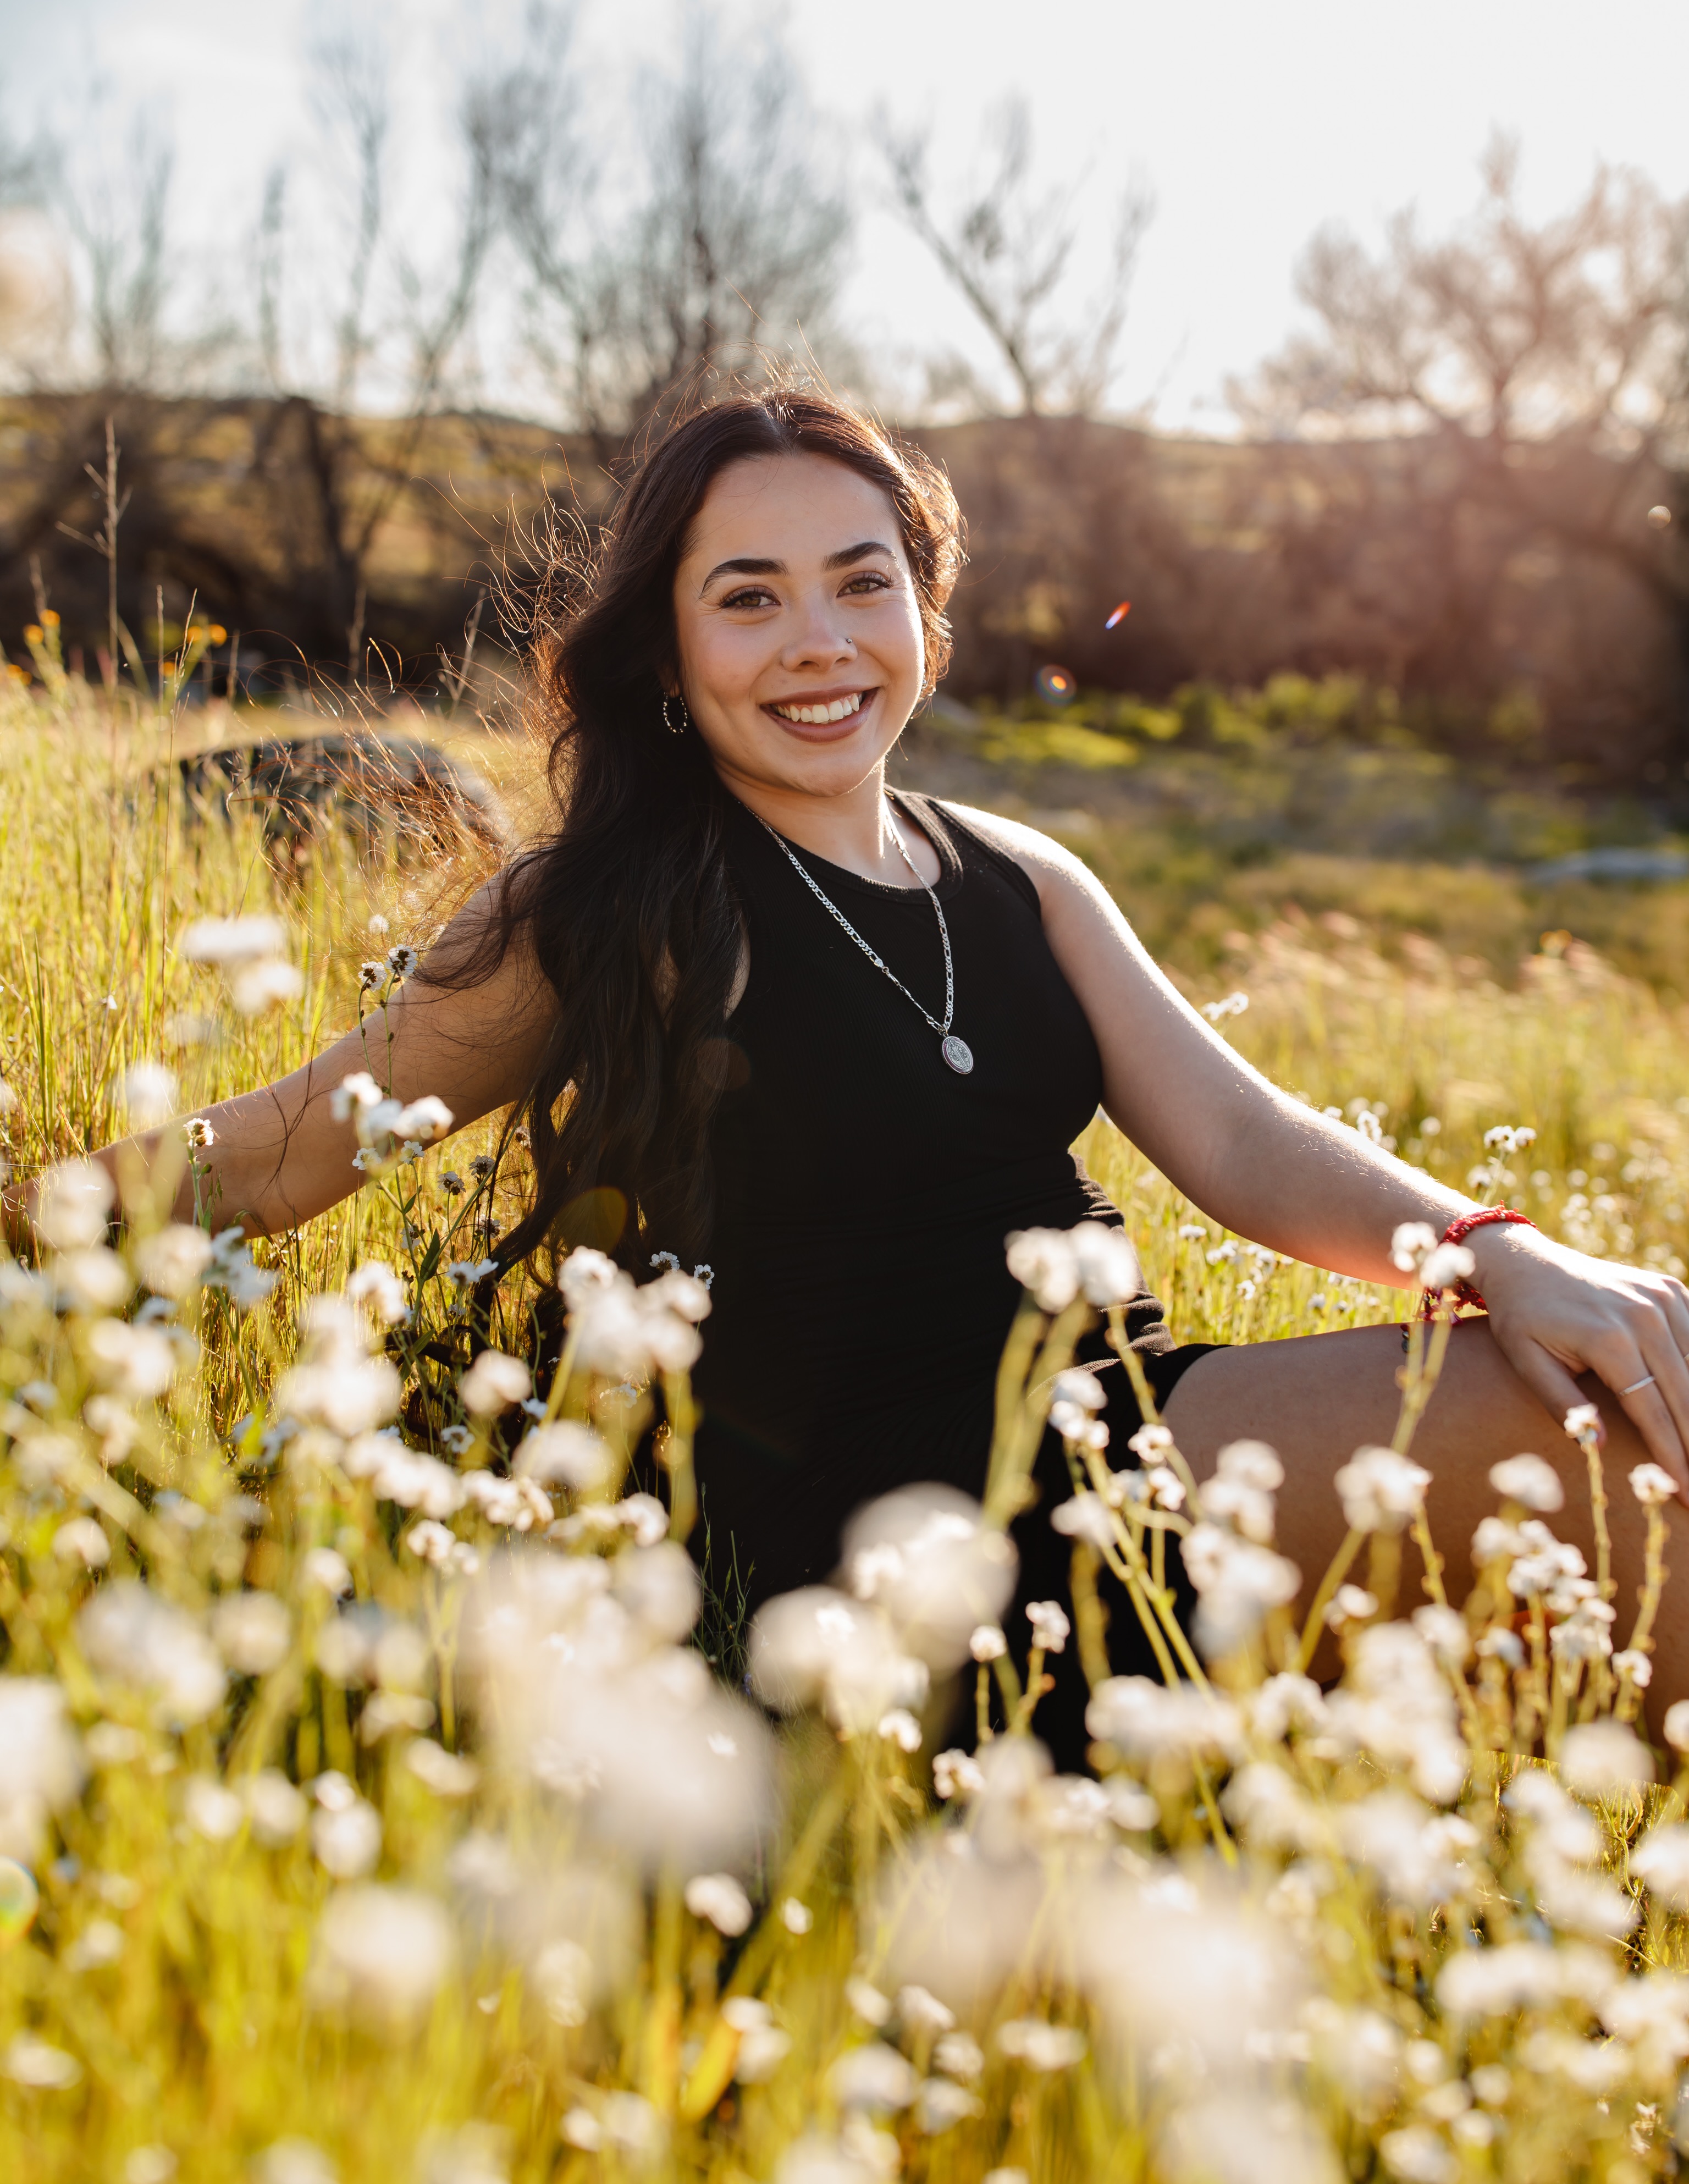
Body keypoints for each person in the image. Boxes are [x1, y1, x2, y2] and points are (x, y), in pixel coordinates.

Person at [9, 390, 1688, 1755]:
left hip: (1121, 1425)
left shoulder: (1018, 872)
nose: (818, 640)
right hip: (893, 1527)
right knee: (1597, 1415)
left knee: (1643, 1336)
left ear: (927, 615)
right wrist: (33, 1218)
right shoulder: (602, 906)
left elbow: (1244, 1144)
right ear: (666, 657)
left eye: (861, 579)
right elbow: (288, 1154)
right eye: (748, 597)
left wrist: (1492, 1243)